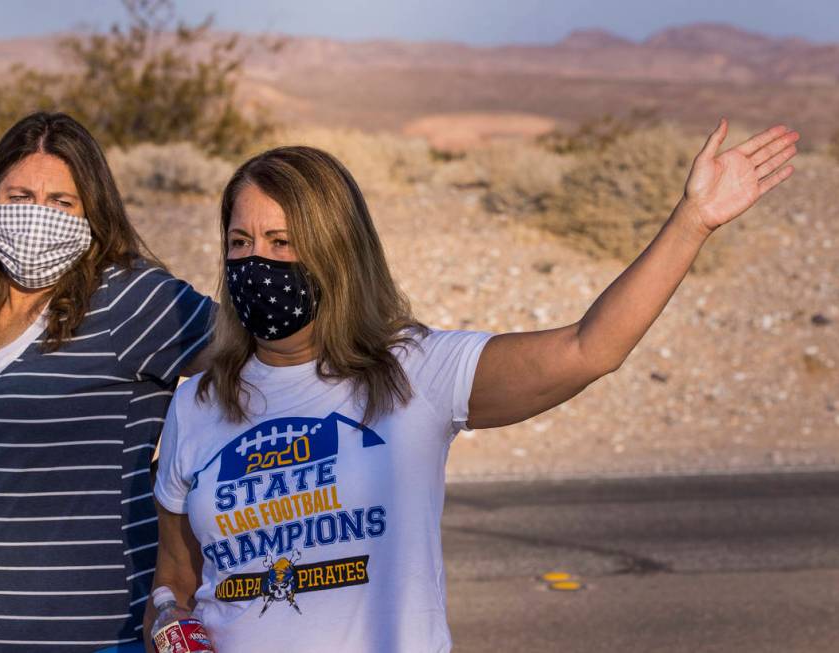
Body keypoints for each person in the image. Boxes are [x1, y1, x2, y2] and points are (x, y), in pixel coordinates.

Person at [147, 119, 798, 651]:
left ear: (335, 254)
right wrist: (165, 618)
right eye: (240, 240)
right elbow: (176, 577)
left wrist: (693, 222)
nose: (257, 260)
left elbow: (588, 347)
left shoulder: (412, 372)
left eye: (283, 240)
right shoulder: (199, 403)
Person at [0, 112, 216, 652]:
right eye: (21, 195)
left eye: (61, 202)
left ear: (92, 212)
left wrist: (186, 500)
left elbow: (258, 356)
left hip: (93, 628)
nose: (37, 216)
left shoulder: (127, 297)